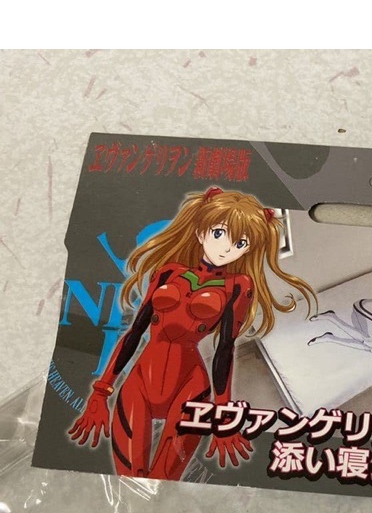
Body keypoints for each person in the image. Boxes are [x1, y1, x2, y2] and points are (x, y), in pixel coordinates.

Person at [69, 187, 316, 478]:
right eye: (219, 233)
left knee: (163, 480)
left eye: (240, 243)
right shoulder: (168, 272)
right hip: (140, 382)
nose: (226, 248)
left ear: (247, 249)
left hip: (190, 387)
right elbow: (136, 332)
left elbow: (225, 349)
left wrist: (222, 415)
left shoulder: (239, 285)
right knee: (128, 477)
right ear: (200, 231)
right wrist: (101, 392)